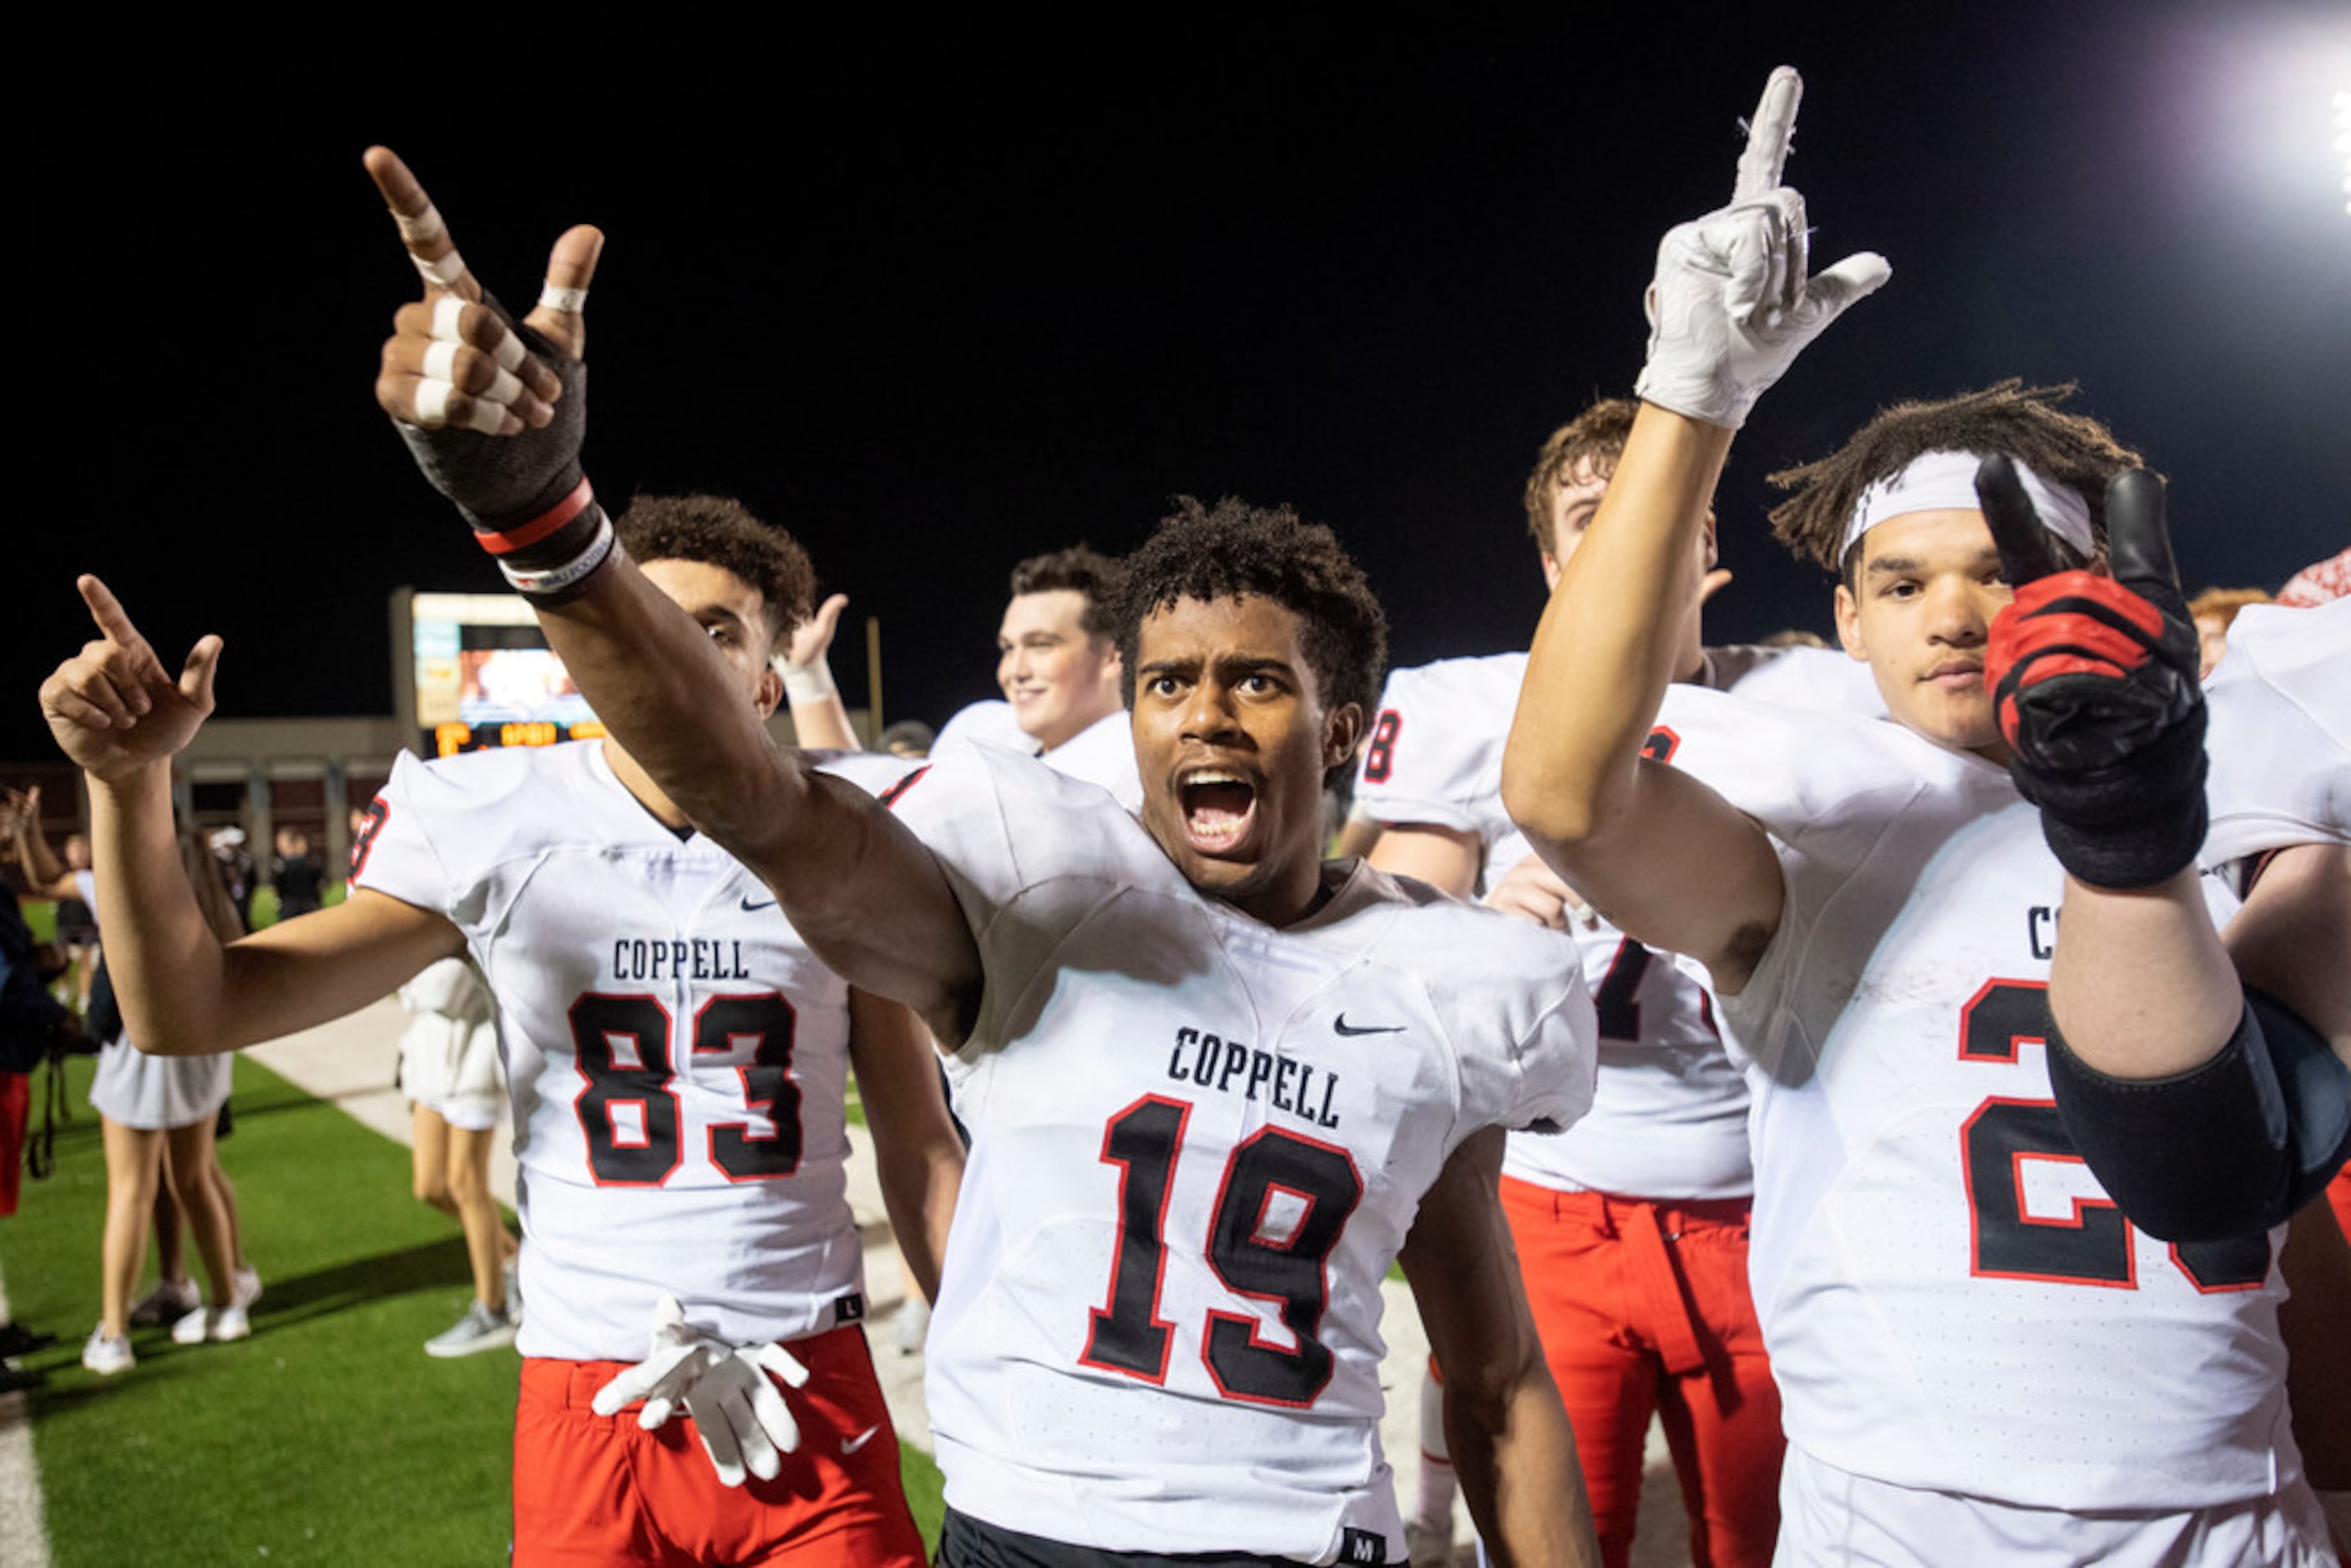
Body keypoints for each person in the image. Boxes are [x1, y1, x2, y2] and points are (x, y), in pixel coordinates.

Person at [359, 144, 1603, 1566]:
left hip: (1303, 1536)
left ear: (1347, 725)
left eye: (1256, 681)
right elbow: (759, 797)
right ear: (1126, 715)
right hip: (1025, 1533)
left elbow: (1494, 1376)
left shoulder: (1455, 977)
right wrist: (541, 520)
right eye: (1166, 680)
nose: (1205, 710)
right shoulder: (1034, 901)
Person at [1501, 66, 2331, 1564]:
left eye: (2005, 569)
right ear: (1845, 618)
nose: (1955, 612)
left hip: (2222, 1500)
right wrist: (1691, 397)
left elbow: (2281, 1186)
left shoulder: (2241, 792)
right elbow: (1564, 792)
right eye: (1902, 580)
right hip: (1900, 1513)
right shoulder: (1823, 818)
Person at [41, 496, 964, 1565]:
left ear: (768, 679)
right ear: (592, 653)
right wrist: (125, 782)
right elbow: (184, 1010)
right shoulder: (495, 816)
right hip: (586, 1391)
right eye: (645, 620)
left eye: (713, 629)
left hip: (808, 1374)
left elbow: (917, 1141)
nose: (670, 648)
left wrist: (985, 1369)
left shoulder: (847, 829)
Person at [1359, 394, 1872, 1568]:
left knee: (1767, 1542)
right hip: (1549, 1206)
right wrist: (1474, 928)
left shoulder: (1813, 705)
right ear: (1551, 566)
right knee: (1551, 1540)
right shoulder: (1472, 708)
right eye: (1593, 515)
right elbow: (1381, 965)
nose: (1626, 536)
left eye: (1659, 506)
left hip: (1763, 1207)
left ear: (1705, 548)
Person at [938, 544, 1142, 809]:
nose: (1016, 671)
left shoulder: (1136, 769)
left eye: (1041, 645)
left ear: (1112, 657)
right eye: (1009, 648)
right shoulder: (981, 729)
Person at [394, 954, 520, 1357]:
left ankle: (494, 1309)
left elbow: (443, 989)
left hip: (476, 1054)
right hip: (429, 1053)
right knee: (430, 1186)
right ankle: (517, 1260)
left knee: (467, 1182)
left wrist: (404, 975)